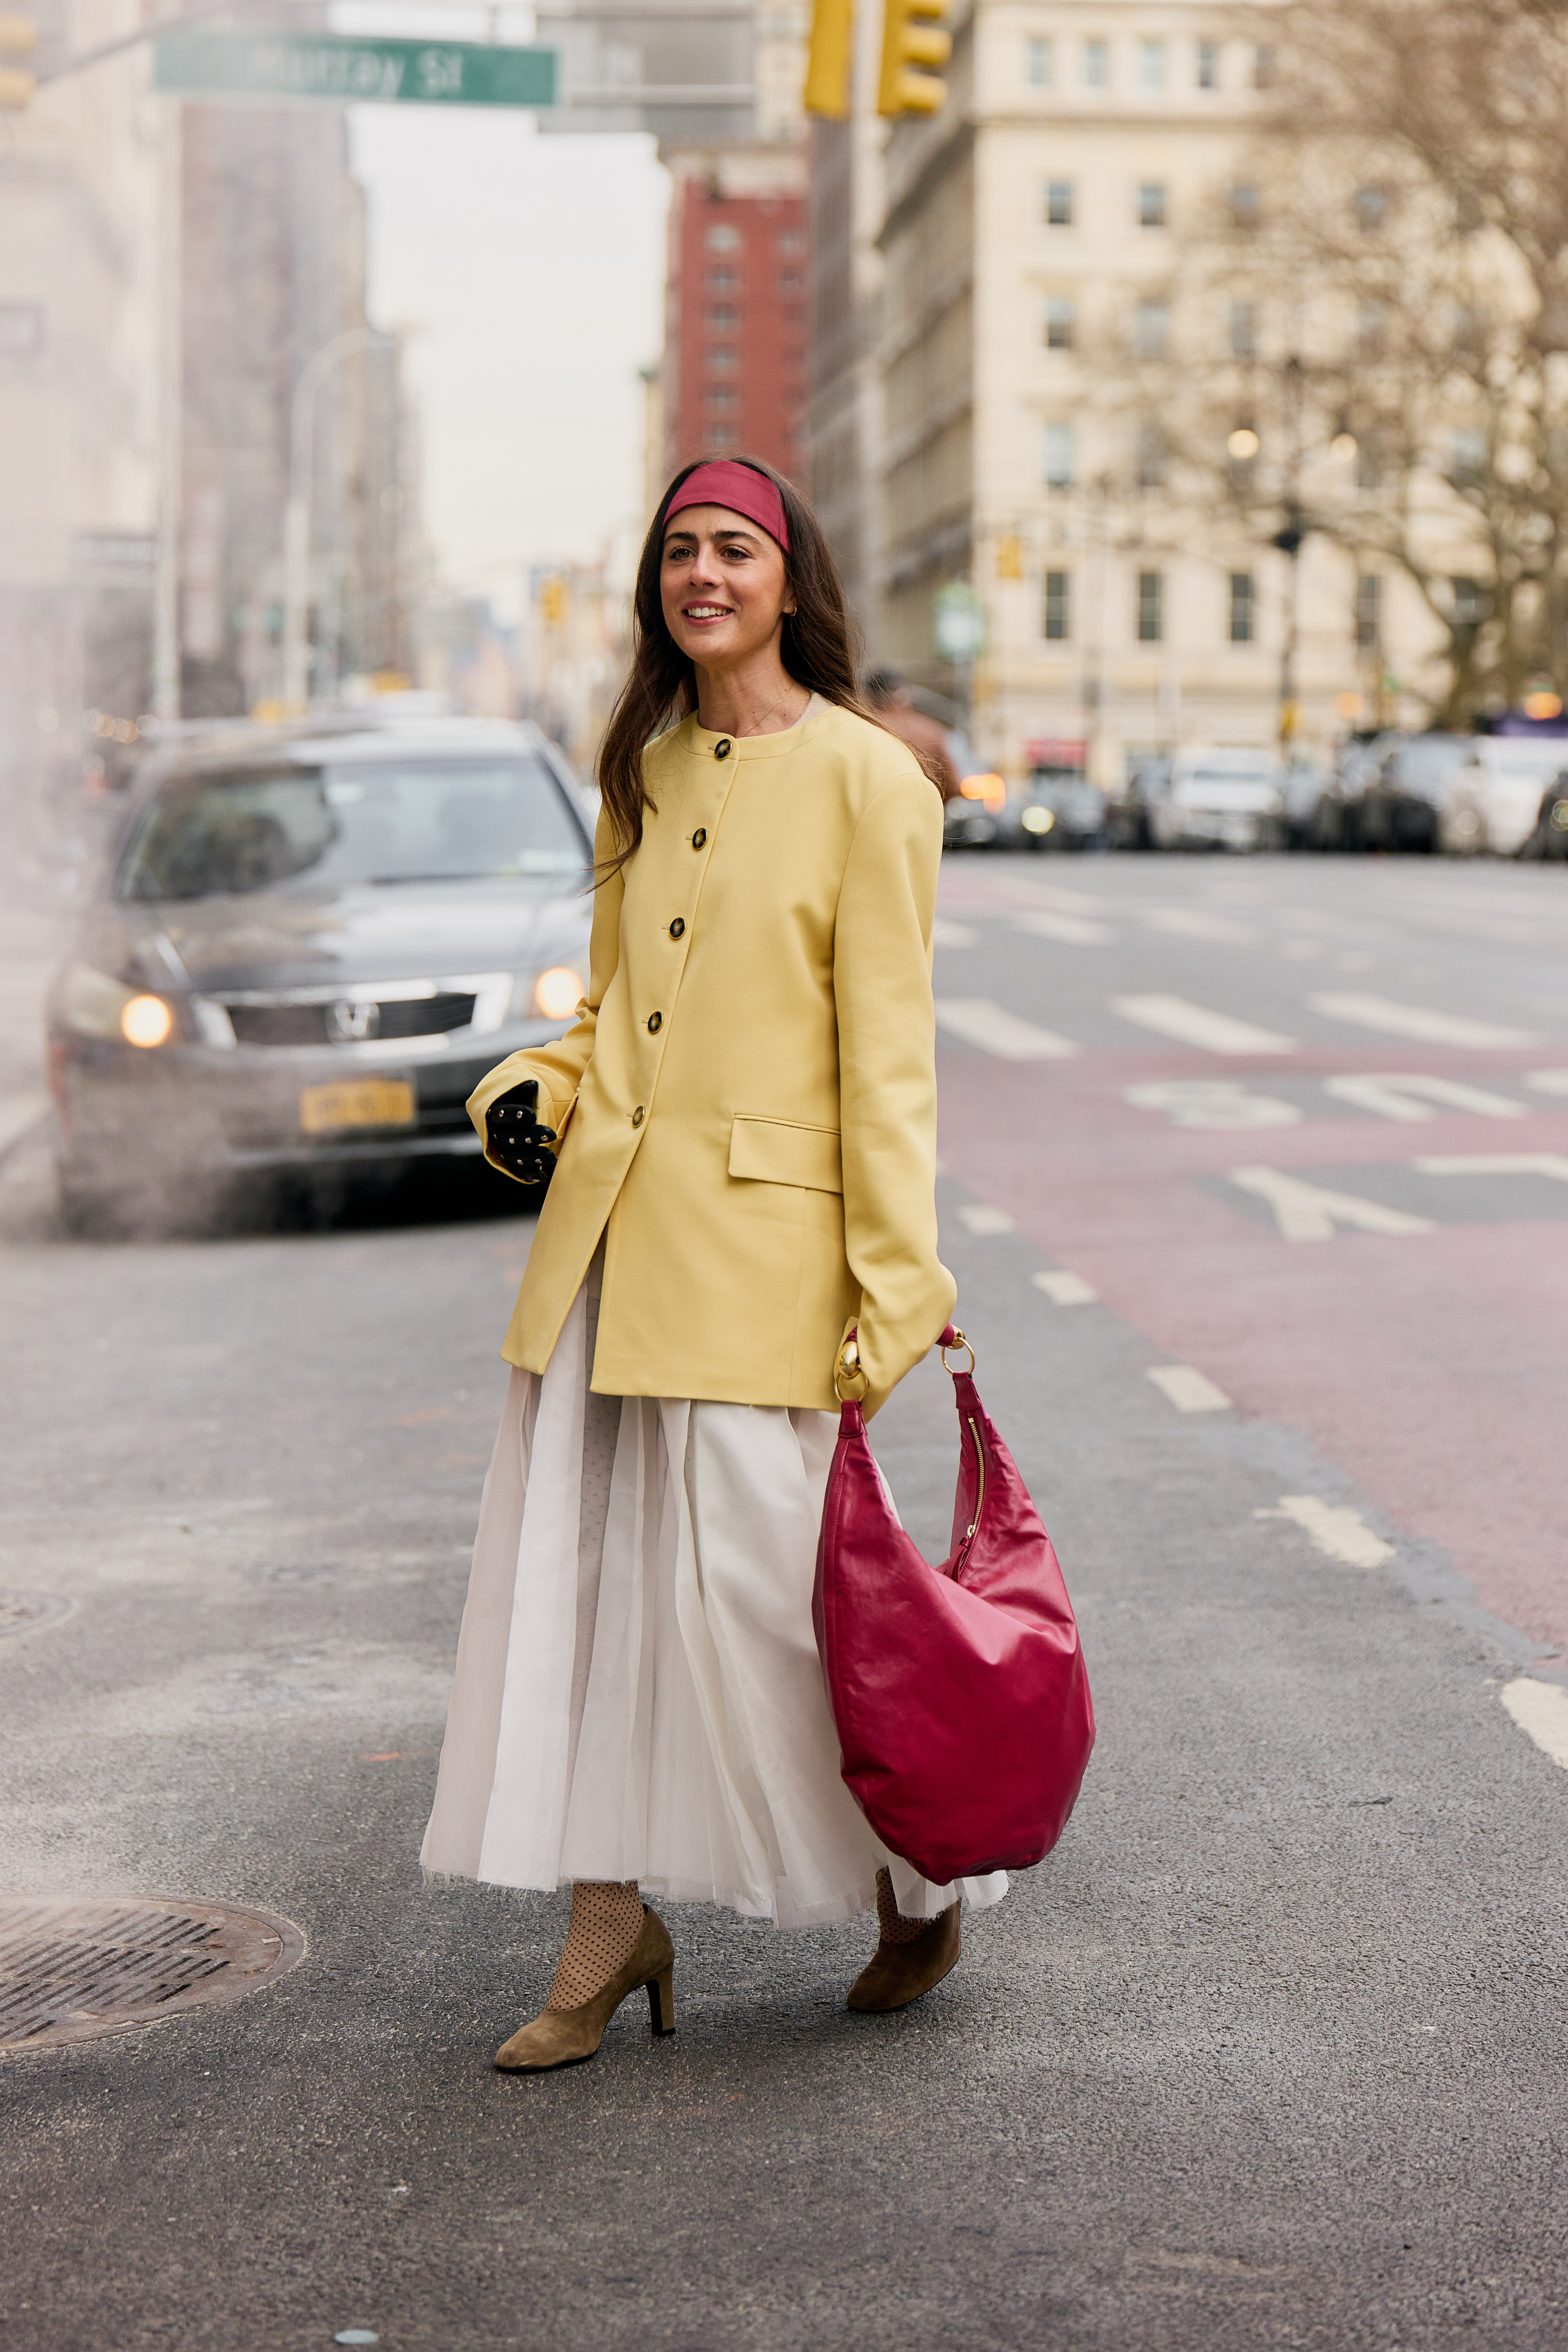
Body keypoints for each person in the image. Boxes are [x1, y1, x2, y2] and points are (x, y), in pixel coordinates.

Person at [421, 455, 1006, 2074]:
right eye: (678, 550)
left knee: (772, 1606)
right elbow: (610, 1016)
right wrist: (528, 1089)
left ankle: (913, 1876)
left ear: (785, 576)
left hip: (766, 1260)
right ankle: (609, 1925)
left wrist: (897, 1282)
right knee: (588, 1598)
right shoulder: (642, 766)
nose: (701, 573)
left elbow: (884, 1057)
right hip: (609, 1253)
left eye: (731, 548)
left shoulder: (871, 779)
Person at [863, 668, 965, 803]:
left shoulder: (861, 729)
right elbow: (952, 786)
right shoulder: (931, 730)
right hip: (924, 813)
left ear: (869, 696)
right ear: (903, 693)